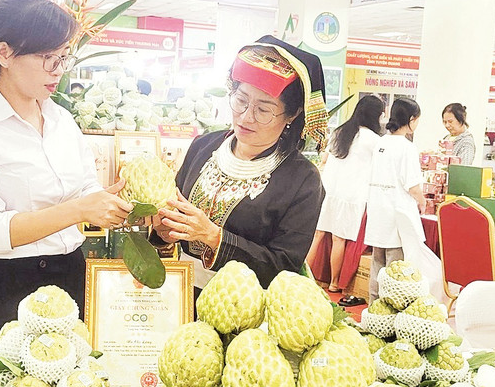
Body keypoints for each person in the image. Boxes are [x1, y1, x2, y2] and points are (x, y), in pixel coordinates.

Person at [0, 0, 132, 375]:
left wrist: (107, 200)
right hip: (12, 290)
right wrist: (79, 209)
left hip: (72, 277)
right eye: (47, 58)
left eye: (64, 57)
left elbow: (82, 189)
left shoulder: (62, 120)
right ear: (4, 53)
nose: (58, 70)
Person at [151, 35, 326, 291]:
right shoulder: (204, 146)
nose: (246, 117)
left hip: (244, 307)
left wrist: (213, 236)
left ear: (292, 114)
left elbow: (285, 264)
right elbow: (173, 212)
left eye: (263, 110)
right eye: (241, 100)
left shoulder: (302, 179)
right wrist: (164, 232)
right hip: (180, 292)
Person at [365, 98, 446, 304]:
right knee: (395, 267)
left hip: (377, 210)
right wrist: (423, 203)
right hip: (397, 213)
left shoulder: (381, 142)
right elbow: (413, 186)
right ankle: (390, 309)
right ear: (411, 120)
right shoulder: (407, 147)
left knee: (377, 262)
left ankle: (375, 306)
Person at [307, 94, 384, 293]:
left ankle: (303, 276)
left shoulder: (340, 130)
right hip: (352, 195)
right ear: (376, 115)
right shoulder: (375, 141)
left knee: (317, 235)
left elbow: (325, 158)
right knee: (338, 239)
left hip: (327, 190)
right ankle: (334, 283)